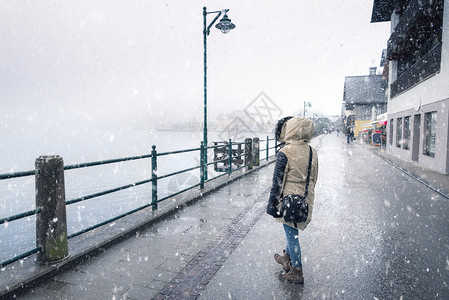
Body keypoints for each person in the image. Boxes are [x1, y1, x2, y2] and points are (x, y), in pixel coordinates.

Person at [266, 117, 319, 283]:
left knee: (292, 234)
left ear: (290, 130)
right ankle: (287, 258)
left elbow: (277, 182)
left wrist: (272, 204)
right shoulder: (312, 151)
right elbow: (314, 177)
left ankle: (296, 270)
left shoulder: (285, 152)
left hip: (289, 200)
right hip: (305, 198)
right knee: (292, 231)